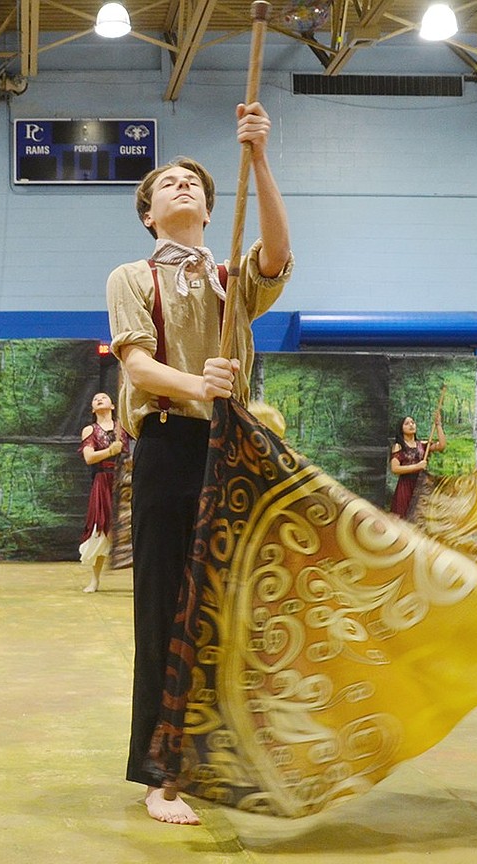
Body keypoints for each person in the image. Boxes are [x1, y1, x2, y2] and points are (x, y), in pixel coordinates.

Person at [106, 101, 293, 825]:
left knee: (232, 604)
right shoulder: (131, 275)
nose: (182, 185)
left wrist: (259, 160)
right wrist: (197, 385)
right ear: (149, 212)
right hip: (169, 447)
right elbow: (138, 366)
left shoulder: (230, 276)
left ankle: (225, 753)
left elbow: (276, 253)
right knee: (165, 608)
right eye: (168, 183)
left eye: (194, 182)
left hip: (233, 447)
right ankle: (162, 770)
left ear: (212, 211)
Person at [79, 391, 131, 593]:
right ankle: (95, 580)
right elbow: (89, 458)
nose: (99, 399)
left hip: (124, 481)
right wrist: (110, 451)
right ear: (93, 408)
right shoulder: (90, 430)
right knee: (100, 528)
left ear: (112, 406)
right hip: (103, 481)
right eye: (95, 399)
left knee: (129, 527)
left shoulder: (122, 427)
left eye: (104, 398)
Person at [389, 413, 446, 518]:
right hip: (405, 487)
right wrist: (417, 466)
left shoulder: (423, 445)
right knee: (404, 517)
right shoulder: (398, 446)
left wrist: (438, 425)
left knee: (420, 518)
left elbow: (442, 445)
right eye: (407, 423)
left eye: (413, 422)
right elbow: (395, 468)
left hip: (421, 486)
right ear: (401, 429)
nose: (411, 425)